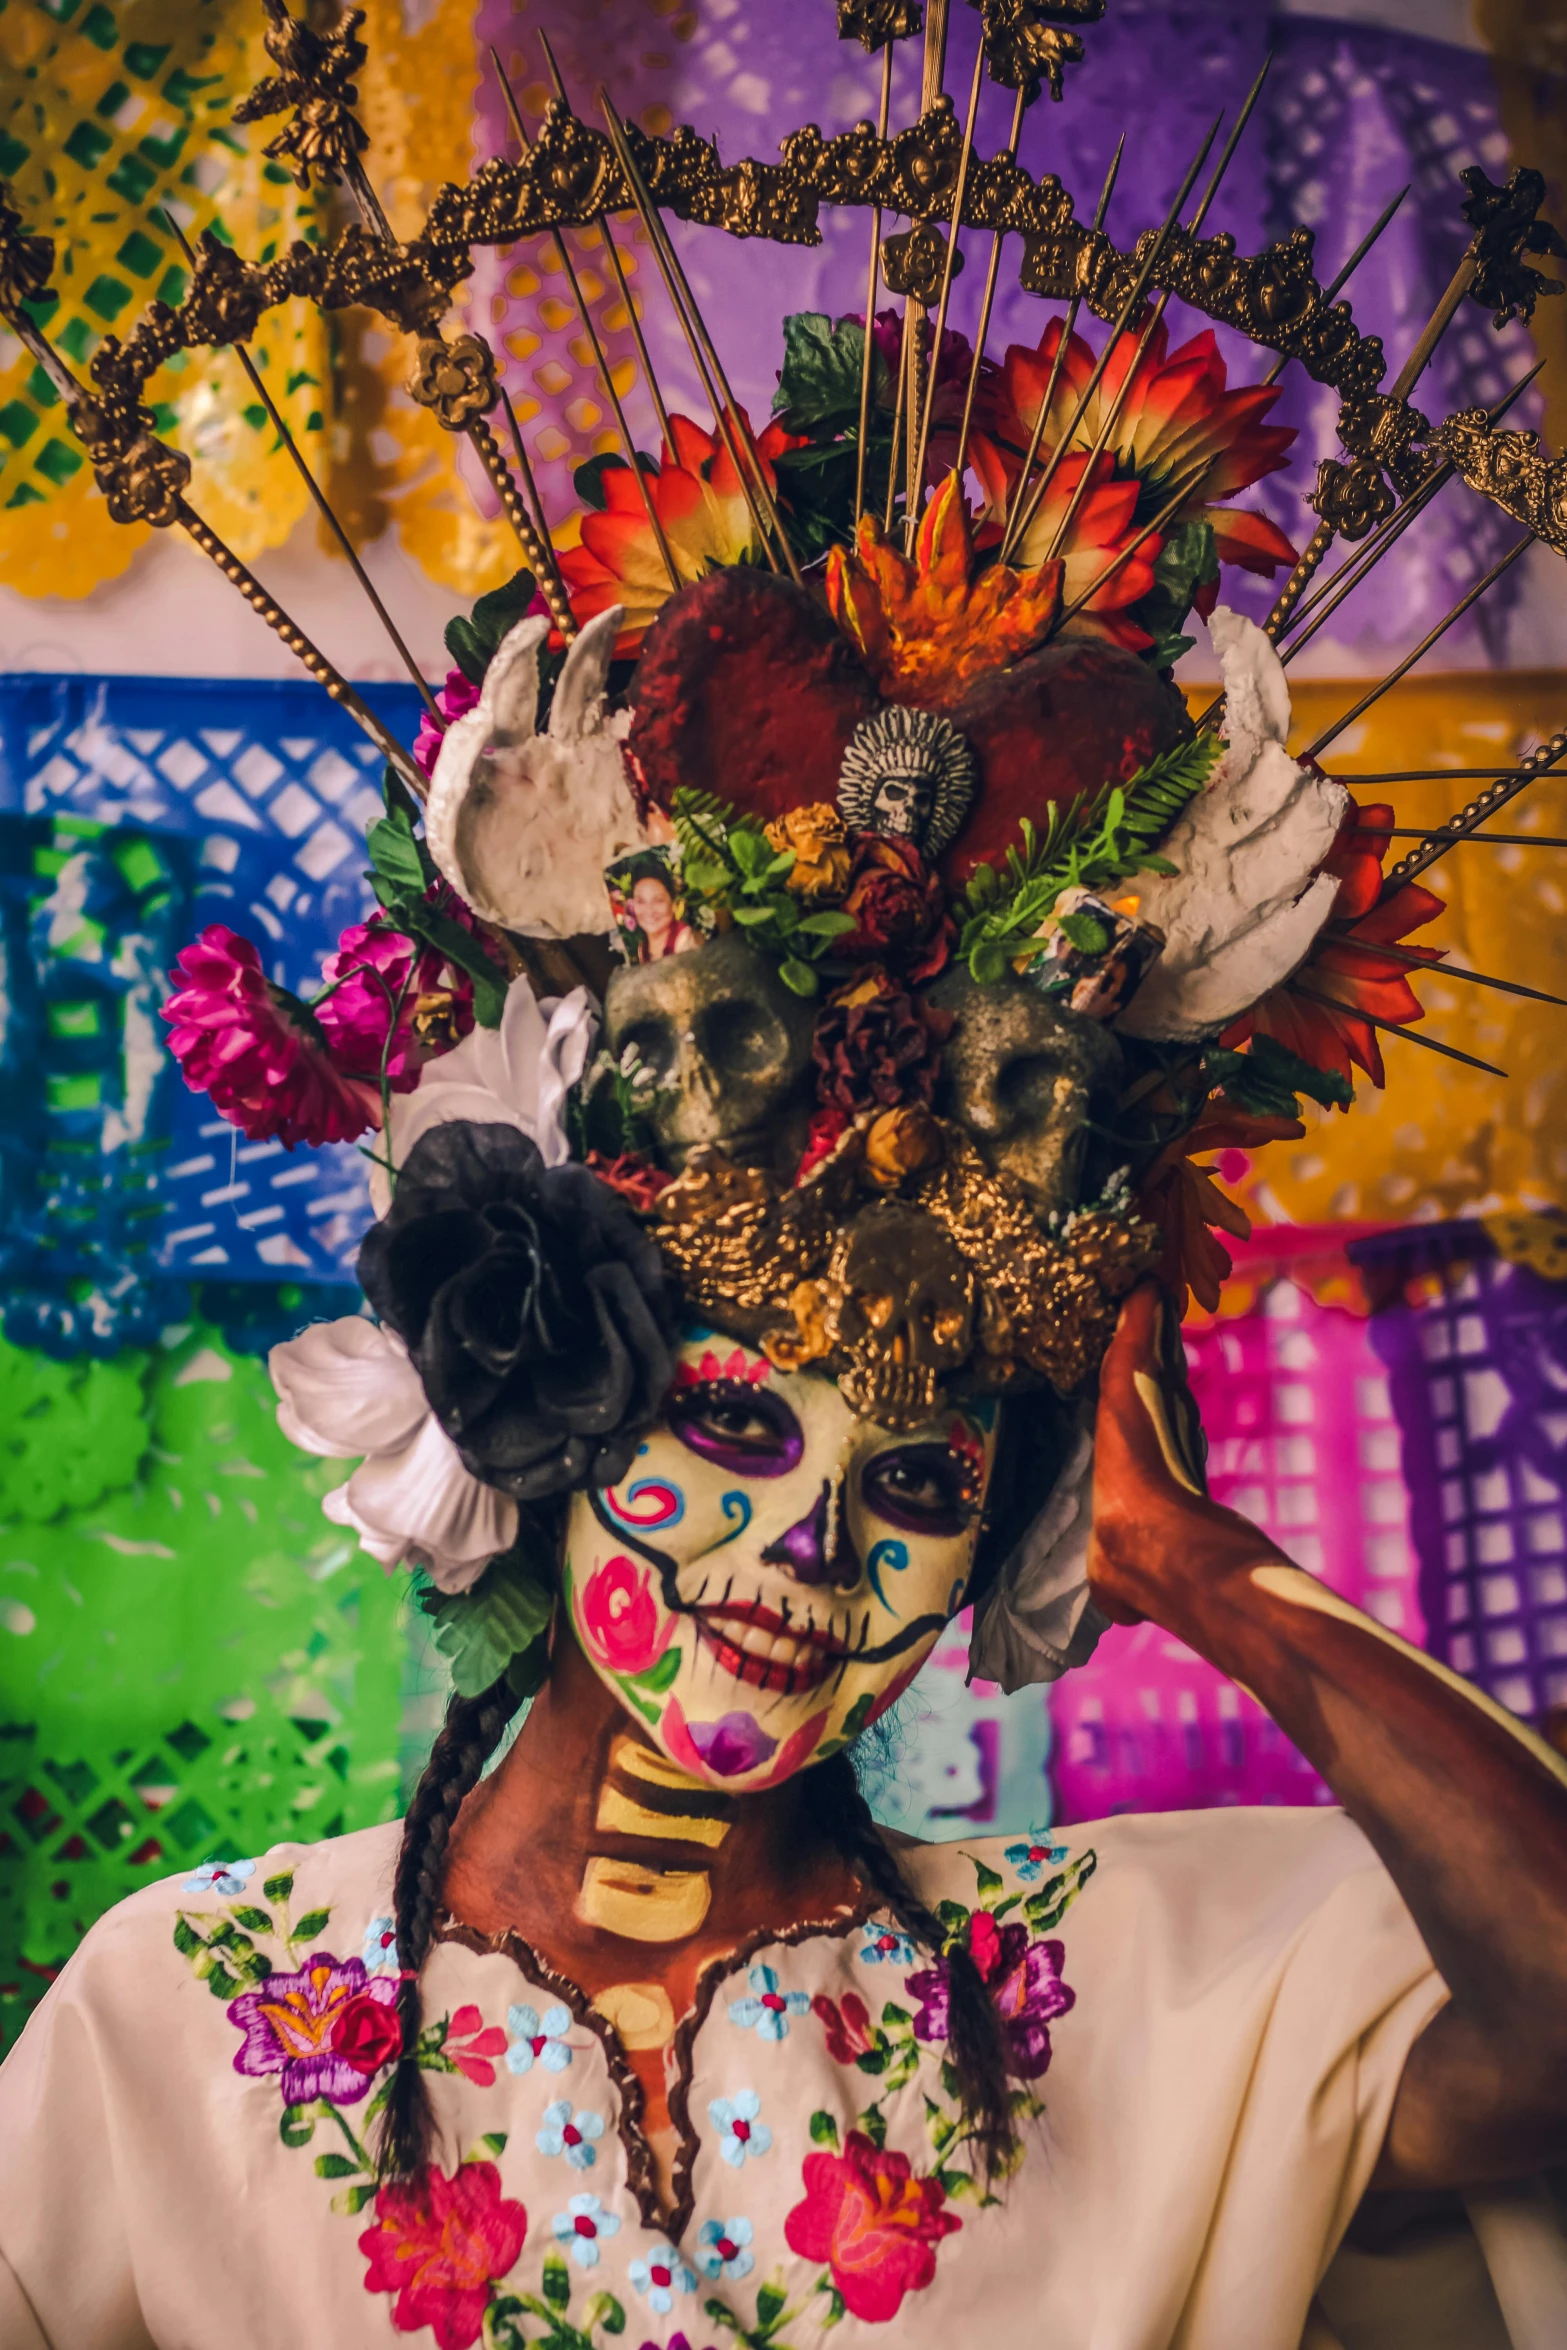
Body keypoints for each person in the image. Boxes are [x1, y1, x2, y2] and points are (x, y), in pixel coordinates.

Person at [2, 1255, 1565, 2349]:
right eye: (737, 1425)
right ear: (556, 1420)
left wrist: (1193, 1561)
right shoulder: (188, 2014)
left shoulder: (1126, 1995)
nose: (816, 1543)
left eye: (920, 1483)